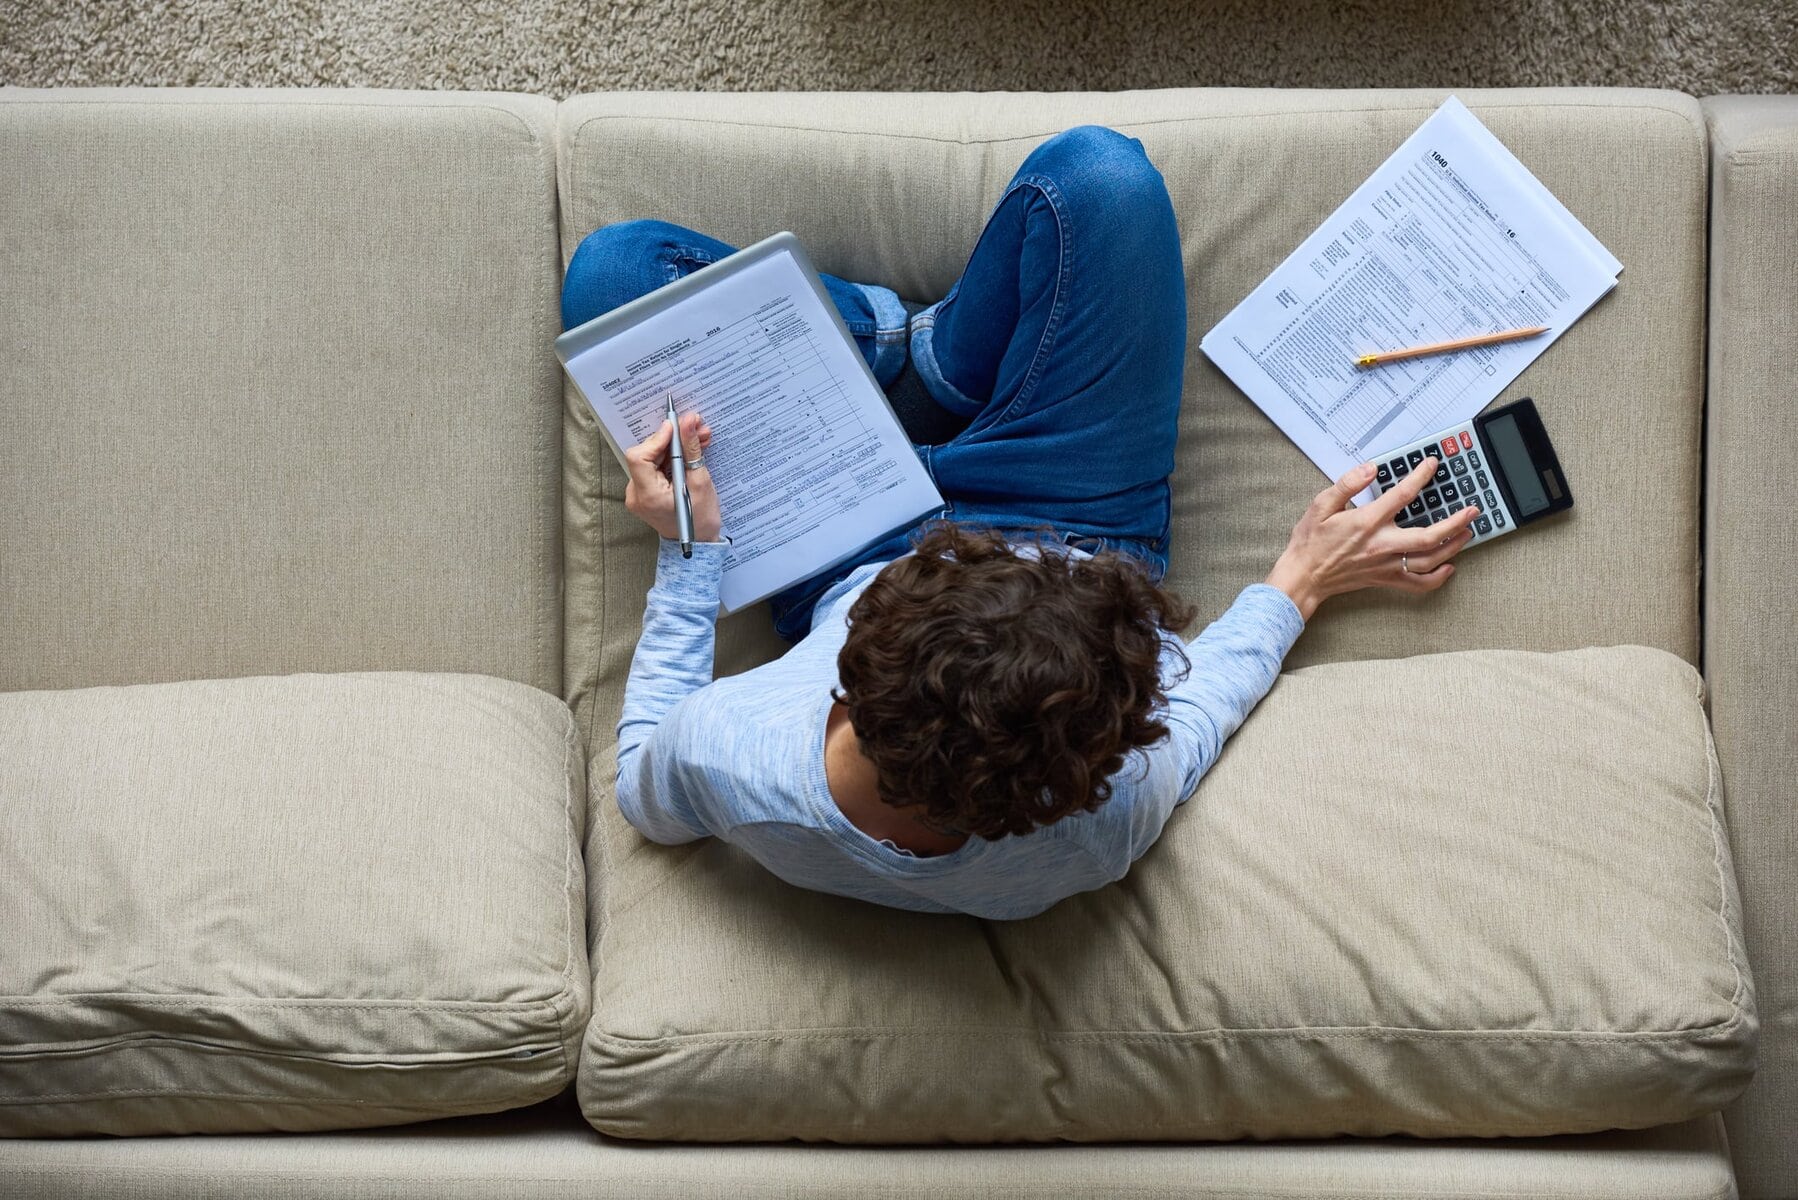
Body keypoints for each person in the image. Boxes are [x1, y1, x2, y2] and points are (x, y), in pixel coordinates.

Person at [560, 126, 1478, 920]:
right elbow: (1202, 711)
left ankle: (901, 354)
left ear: (842, 689)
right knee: (1102, 178)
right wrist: (1301, 581)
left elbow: (640, 777)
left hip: (843, 545)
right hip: (1070, 511)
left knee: (615, 276)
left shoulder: (734, 756)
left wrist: (690, 548)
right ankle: (929, 361)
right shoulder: (1101, 815)